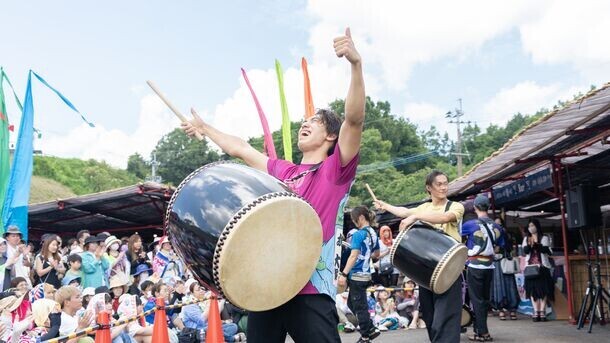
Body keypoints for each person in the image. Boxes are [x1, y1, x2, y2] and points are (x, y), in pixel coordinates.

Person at [182, 27, 364, 343]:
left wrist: (355, 65)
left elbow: (354, 120)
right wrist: (206, 128)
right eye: (304, 122)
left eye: (315, 123)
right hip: (267, 288)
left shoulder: (335, 171)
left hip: (310, 288)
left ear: (331, 136)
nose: (305, 125)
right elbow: (240, 149)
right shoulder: (283, 171)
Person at [374, 170, 465, 343]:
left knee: (445, 320)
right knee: (431, 319)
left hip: (449, 269)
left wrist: (415, 216)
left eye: (445, 183)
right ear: (428, 188)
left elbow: (445, 217)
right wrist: (385, 206)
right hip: (426, 272)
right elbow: (403, 212)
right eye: (439, 184)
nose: (444, 187)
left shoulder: (454, 206)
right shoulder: (424, 207)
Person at [461, 195, 504, 342]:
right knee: (484, 300)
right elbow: (500, 246)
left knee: (477, 300)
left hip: (475, 265)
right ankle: (480, 330)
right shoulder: (498, 226)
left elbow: (457, 235)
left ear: (475, 208)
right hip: (490, 266)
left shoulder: (471, 224)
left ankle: (482, 333)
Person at [338, 206, 380, 342]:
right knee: (352, 303)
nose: (354, 222)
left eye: (354, 220)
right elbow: (376, 254)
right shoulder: (373, 233)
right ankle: (371, 328)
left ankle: (365, 336)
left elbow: (353, 255)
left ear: (361, 218)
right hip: (367, 274)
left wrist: (344, 274)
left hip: (357, 275)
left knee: (360, 307)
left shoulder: (358, 234)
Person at [522, 218, 554, 322]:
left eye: (533, 225)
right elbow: (525, 251)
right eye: (529, 226)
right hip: (530, 268)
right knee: (532, 291)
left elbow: (547, 250)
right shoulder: (526, 239)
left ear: (537, 226)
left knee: (544, 290)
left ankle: (542, 311)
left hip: (543, 267)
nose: (531, 228)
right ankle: (536, 312)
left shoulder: (544, 237)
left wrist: (536, 244)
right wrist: (530, 245)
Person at [490, 217, 520, 321]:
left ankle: (512, 309)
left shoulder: (507, 235)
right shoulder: (492, 236)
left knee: (509, 285)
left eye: (500, 224)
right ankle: (501, 310)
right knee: (499, 286)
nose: (498, 226)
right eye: (496, 224)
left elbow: (511, 248)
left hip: (505, 261)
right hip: (497, 262)